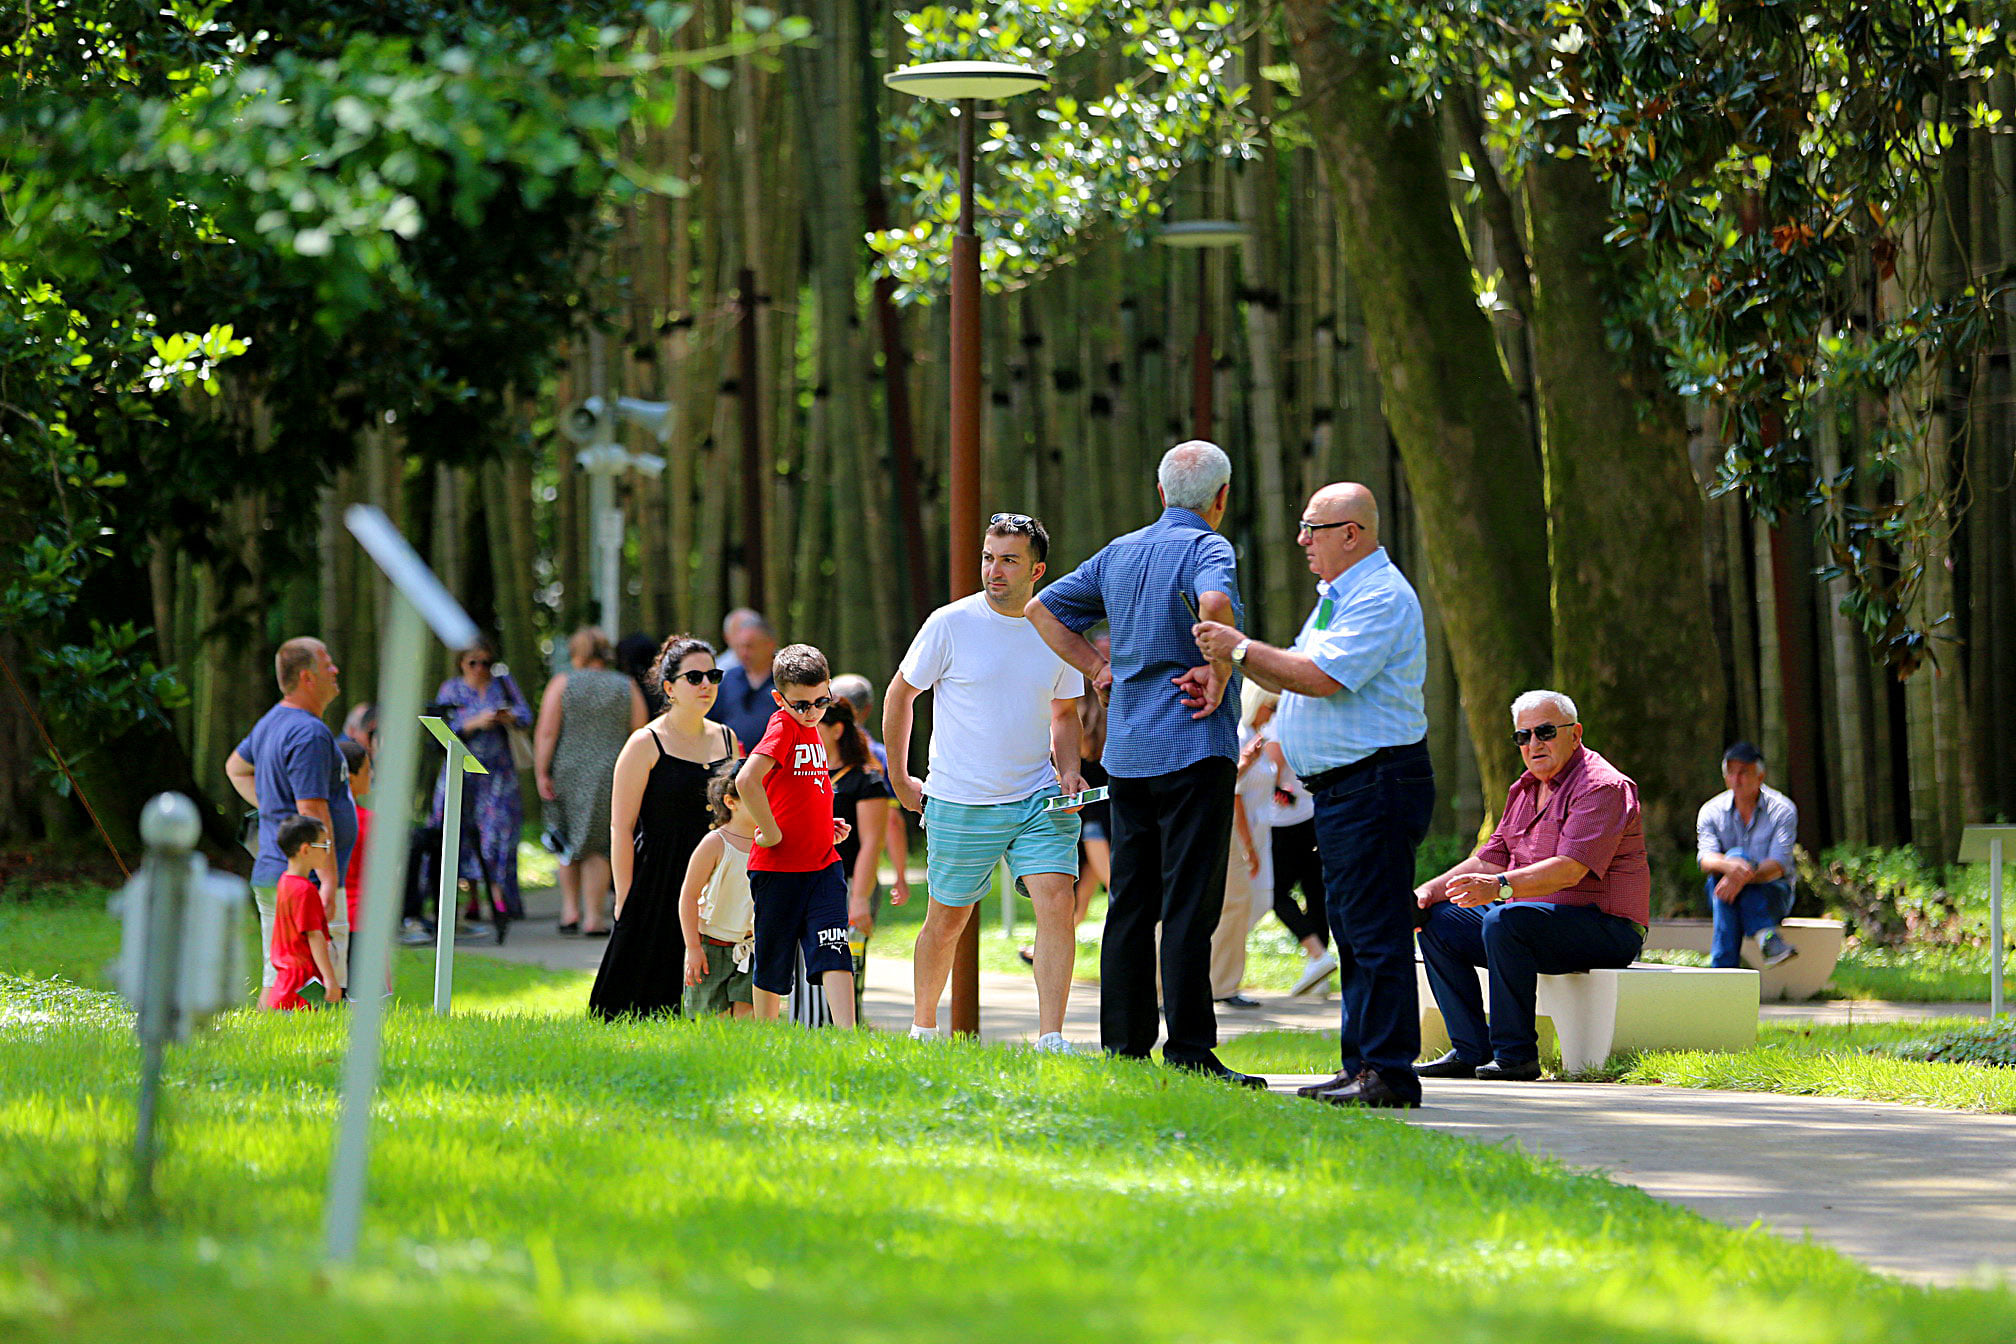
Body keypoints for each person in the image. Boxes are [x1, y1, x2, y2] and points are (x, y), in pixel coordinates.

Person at [1192, 482, 1433, 1108]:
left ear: (1350, 533)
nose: (1301, 540)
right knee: (1352, 930)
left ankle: (1388, 1073)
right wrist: (1234, 671)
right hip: (1349, 785)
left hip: (1377, 781)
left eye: (1311, 528)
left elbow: (1322, 678)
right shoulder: (1339, 596)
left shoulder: (1378, 597)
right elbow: (1292, 672)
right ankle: (1362, 1066)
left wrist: (1239, 647)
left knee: (1374, 932)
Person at [1029, 443, 1259, 1085]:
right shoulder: (1209, 548)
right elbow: (1214, 608)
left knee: (1131, 899)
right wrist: (1218, 673)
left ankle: (1124, 1045)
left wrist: (1100, 668)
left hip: (1129, 752)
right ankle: (1189, 1049)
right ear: (1221, 496)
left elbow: (1041, 608)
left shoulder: (1120, 551)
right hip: (1194, 746)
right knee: (1189, 900)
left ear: (1160, 493)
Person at [887, 514, 1087, 1049]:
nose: (993, 570)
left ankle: (1052, 1038)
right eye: (988, 557)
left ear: (1037, 570)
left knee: (1055, 902)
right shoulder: (949, 623)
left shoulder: (1057, 630)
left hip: (1038, 796)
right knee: (946, 921)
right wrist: (900, 776)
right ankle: (923, 1028)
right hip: (960, 798)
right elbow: (900, 695)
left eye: (1008, 560)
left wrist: (1069, 771)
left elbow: (1065, 714)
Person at [1414, 690, 1650, 1081]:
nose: (1533, 744)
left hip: (1606, 927)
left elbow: (1571, 869)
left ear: (1575, 734)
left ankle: (1516, 1056)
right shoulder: (1523, 789)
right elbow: (1491, 857)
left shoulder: (1602, 786)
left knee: (1506, 921)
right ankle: (1470, 1049)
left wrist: (1500, 887)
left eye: (1544, 732)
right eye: (1522, 737)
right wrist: (1426, 893)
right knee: (1439, 921)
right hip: (1533, 919)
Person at [590, 635, 739, 1019]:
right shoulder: (645, 743)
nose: (706, 685)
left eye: (713, 675)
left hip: (712, 874)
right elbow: (620, 828)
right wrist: (625, 898)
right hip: (657, 875)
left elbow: (738, 814)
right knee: (630, 999)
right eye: (695, 677)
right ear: (669, 687)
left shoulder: (728, 739)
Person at [225, 637, 356, 994]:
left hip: (273, 871)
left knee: (281, 975)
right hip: (306, 880)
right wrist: (327, 879)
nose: (335, 669)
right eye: (326, 663)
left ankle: (266, 1043)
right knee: (315, 985)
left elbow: (235, 768)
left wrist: (272, 808)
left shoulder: (272, 721)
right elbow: (312, 810)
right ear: (307, 677)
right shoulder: (308, 733)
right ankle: (317, 1048)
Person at [736, 644, 857, 1026]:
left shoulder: (811, 731)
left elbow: (801, 789)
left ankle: (848, 1036)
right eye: (801, 704)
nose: (813, 712)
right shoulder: (783, 727)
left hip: (823, 863)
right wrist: (770, 832)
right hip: (779, 869)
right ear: (779, 699)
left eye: (822, 701)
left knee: (834, 946)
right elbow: (747, 779)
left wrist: (825, 826)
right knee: (773, 957)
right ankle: (766, 1036)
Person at [536, 627, 649, 937]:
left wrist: (541, 772)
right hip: (610, 772)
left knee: (567, 839)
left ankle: (570, 910)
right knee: (599, 845)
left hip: (568, 770)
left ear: (577, 653)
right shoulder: (625, 686)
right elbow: (639, 731)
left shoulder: (562, 684)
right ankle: (594, 918)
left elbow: (547, 731)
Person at [429, 637, 530, 934]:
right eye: (473, 663)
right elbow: (440, 729)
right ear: (462, 663)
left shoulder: (503, 684)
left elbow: (526, 715)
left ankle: (499, 897)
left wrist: (506, 717)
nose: (480, 669)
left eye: (485, 663)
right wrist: (474, 723)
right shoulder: (451, 689)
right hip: (462, 771)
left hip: (498, 774)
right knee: (459, 833)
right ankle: (469, 897)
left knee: (498, 833)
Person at [820, 698, 900, 1019]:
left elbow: (871, 843)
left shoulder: (865, 779)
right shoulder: (805, 774)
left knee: (847, 966)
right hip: (811, 881)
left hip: (851, 883)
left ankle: (848, 1030)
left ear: (837, 730)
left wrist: (860, 898)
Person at [1698, 741, 1801, 968]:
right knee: (1732, 864)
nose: (1737, 779)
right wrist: (1732, 868)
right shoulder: (1711, 811)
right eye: (1731, 773)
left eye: (1744, 772)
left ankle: (1723, 971)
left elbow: (1778, 865)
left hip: (1774, 893)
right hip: (1722, 890)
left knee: (1734, 864)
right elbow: (1706, 859)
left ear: (1760, 776)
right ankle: (1767, 938)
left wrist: (1738, 873)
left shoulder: (1782, 810)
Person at [1211, 683, 1279, 1009]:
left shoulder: (1256, 733)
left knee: (1237, 903)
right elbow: (1232, 790)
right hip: (1226, 825)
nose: (1274, 714)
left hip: (1245, 828)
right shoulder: (1240, 733)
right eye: (1271, 706)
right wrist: (1246, 844)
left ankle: (1222, 984)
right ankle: (1166, 990)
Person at [680, 764, 759, 1018]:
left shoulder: (770, 842)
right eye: (755, 796)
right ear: (730, 802)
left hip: (751, 947)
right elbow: (689, 896)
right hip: (711, 947)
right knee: (712, 1023)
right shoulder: (715, 843)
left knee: (747, 1020)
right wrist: (693, 947)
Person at [830, 672, 913, 911]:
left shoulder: (807, 754)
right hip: (858, 871)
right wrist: (900, 875)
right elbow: (892, 821)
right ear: (867, 709)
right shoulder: (878, 758)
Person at [261, 814, 344, 1011]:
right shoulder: (305, 890)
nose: (328, 851)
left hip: (285, 981)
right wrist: (330, 979)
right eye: (324, 846)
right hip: (302, 983)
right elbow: (315, 936)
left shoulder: (285, 881)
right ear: (306, 849)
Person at [710, 609, 778, 753]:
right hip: (730, 764)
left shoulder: (785, 681)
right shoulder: (729, 678)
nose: (744, 653)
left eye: (750, 646)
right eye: (740, 647)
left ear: (770, 644)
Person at [338, 737, 373, 979]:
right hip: (362, 917)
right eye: (368, 770)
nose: (372, 775)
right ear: (350, 779)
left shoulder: (318, 819)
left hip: (327, 918)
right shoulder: (370, 822)